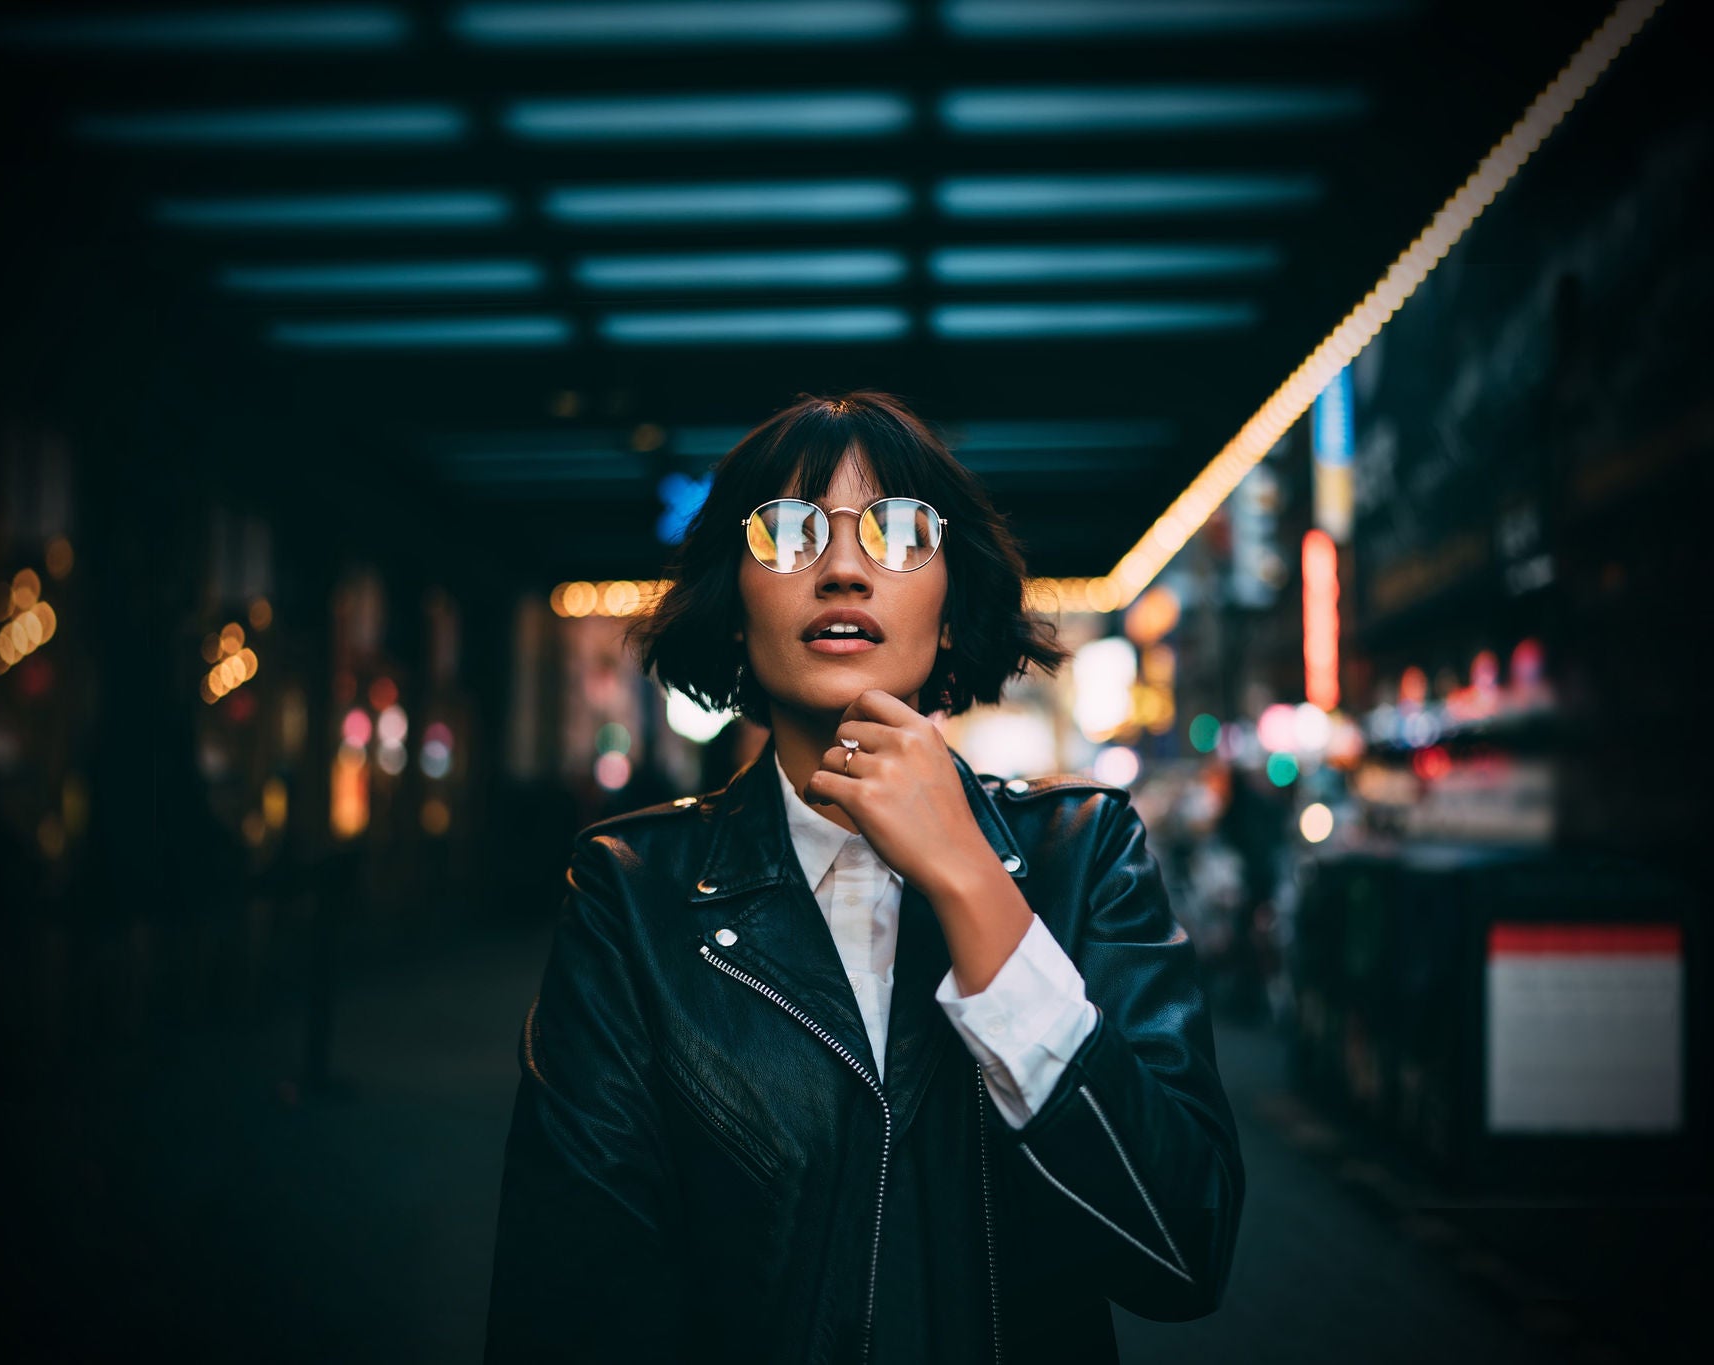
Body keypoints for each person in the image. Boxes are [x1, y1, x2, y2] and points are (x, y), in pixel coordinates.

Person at [485, 391, 1243, 1363]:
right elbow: (566, 1300)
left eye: (896, 531)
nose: (842, 566)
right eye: (788, 533)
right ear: (731, 602)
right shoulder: (632, 889)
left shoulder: (1082, 853)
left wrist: (971, 881)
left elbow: (1183, 1252)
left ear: (950, 600)